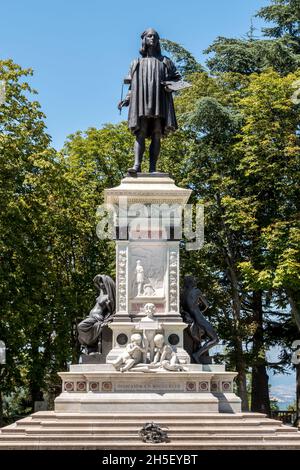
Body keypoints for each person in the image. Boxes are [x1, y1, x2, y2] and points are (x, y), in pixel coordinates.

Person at [118, 28, 181, 174]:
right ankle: (137, 166)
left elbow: (177, 79)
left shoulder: (165, 61)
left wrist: (170, 86)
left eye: (155, 36)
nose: (152, 38)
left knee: (157, 132)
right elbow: (132, 85)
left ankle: (153, 168)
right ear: (144, 40)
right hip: (141, 101)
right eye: (150, 36)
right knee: (141, 131)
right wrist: (126, 100)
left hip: (159, 101)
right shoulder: (137, 63)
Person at [77, 274, 116, 355]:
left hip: (97, 317)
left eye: (102, 282)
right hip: (91, 316)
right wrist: (99, 277)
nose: (101, 284)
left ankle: (89, 342)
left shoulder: (108, 297)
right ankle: (90, 345)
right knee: (82, 327)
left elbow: (112, 310)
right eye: (100, 282)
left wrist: (108, 317)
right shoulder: (101, 294)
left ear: (107, 284)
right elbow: (95, 281)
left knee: (81, 326)